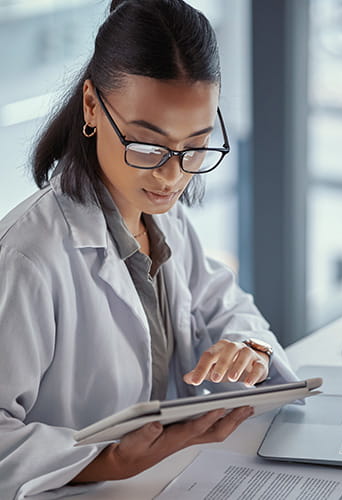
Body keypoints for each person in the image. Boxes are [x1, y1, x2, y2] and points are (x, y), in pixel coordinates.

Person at [0, 0, 298, 497]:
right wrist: (108, 460)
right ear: (92, 105)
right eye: (147, 145)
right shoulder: (27, 258)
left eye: (195, 145)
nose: (171, 175)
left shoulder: (165, 220)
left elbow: (227, 306)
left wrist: (248, 348)